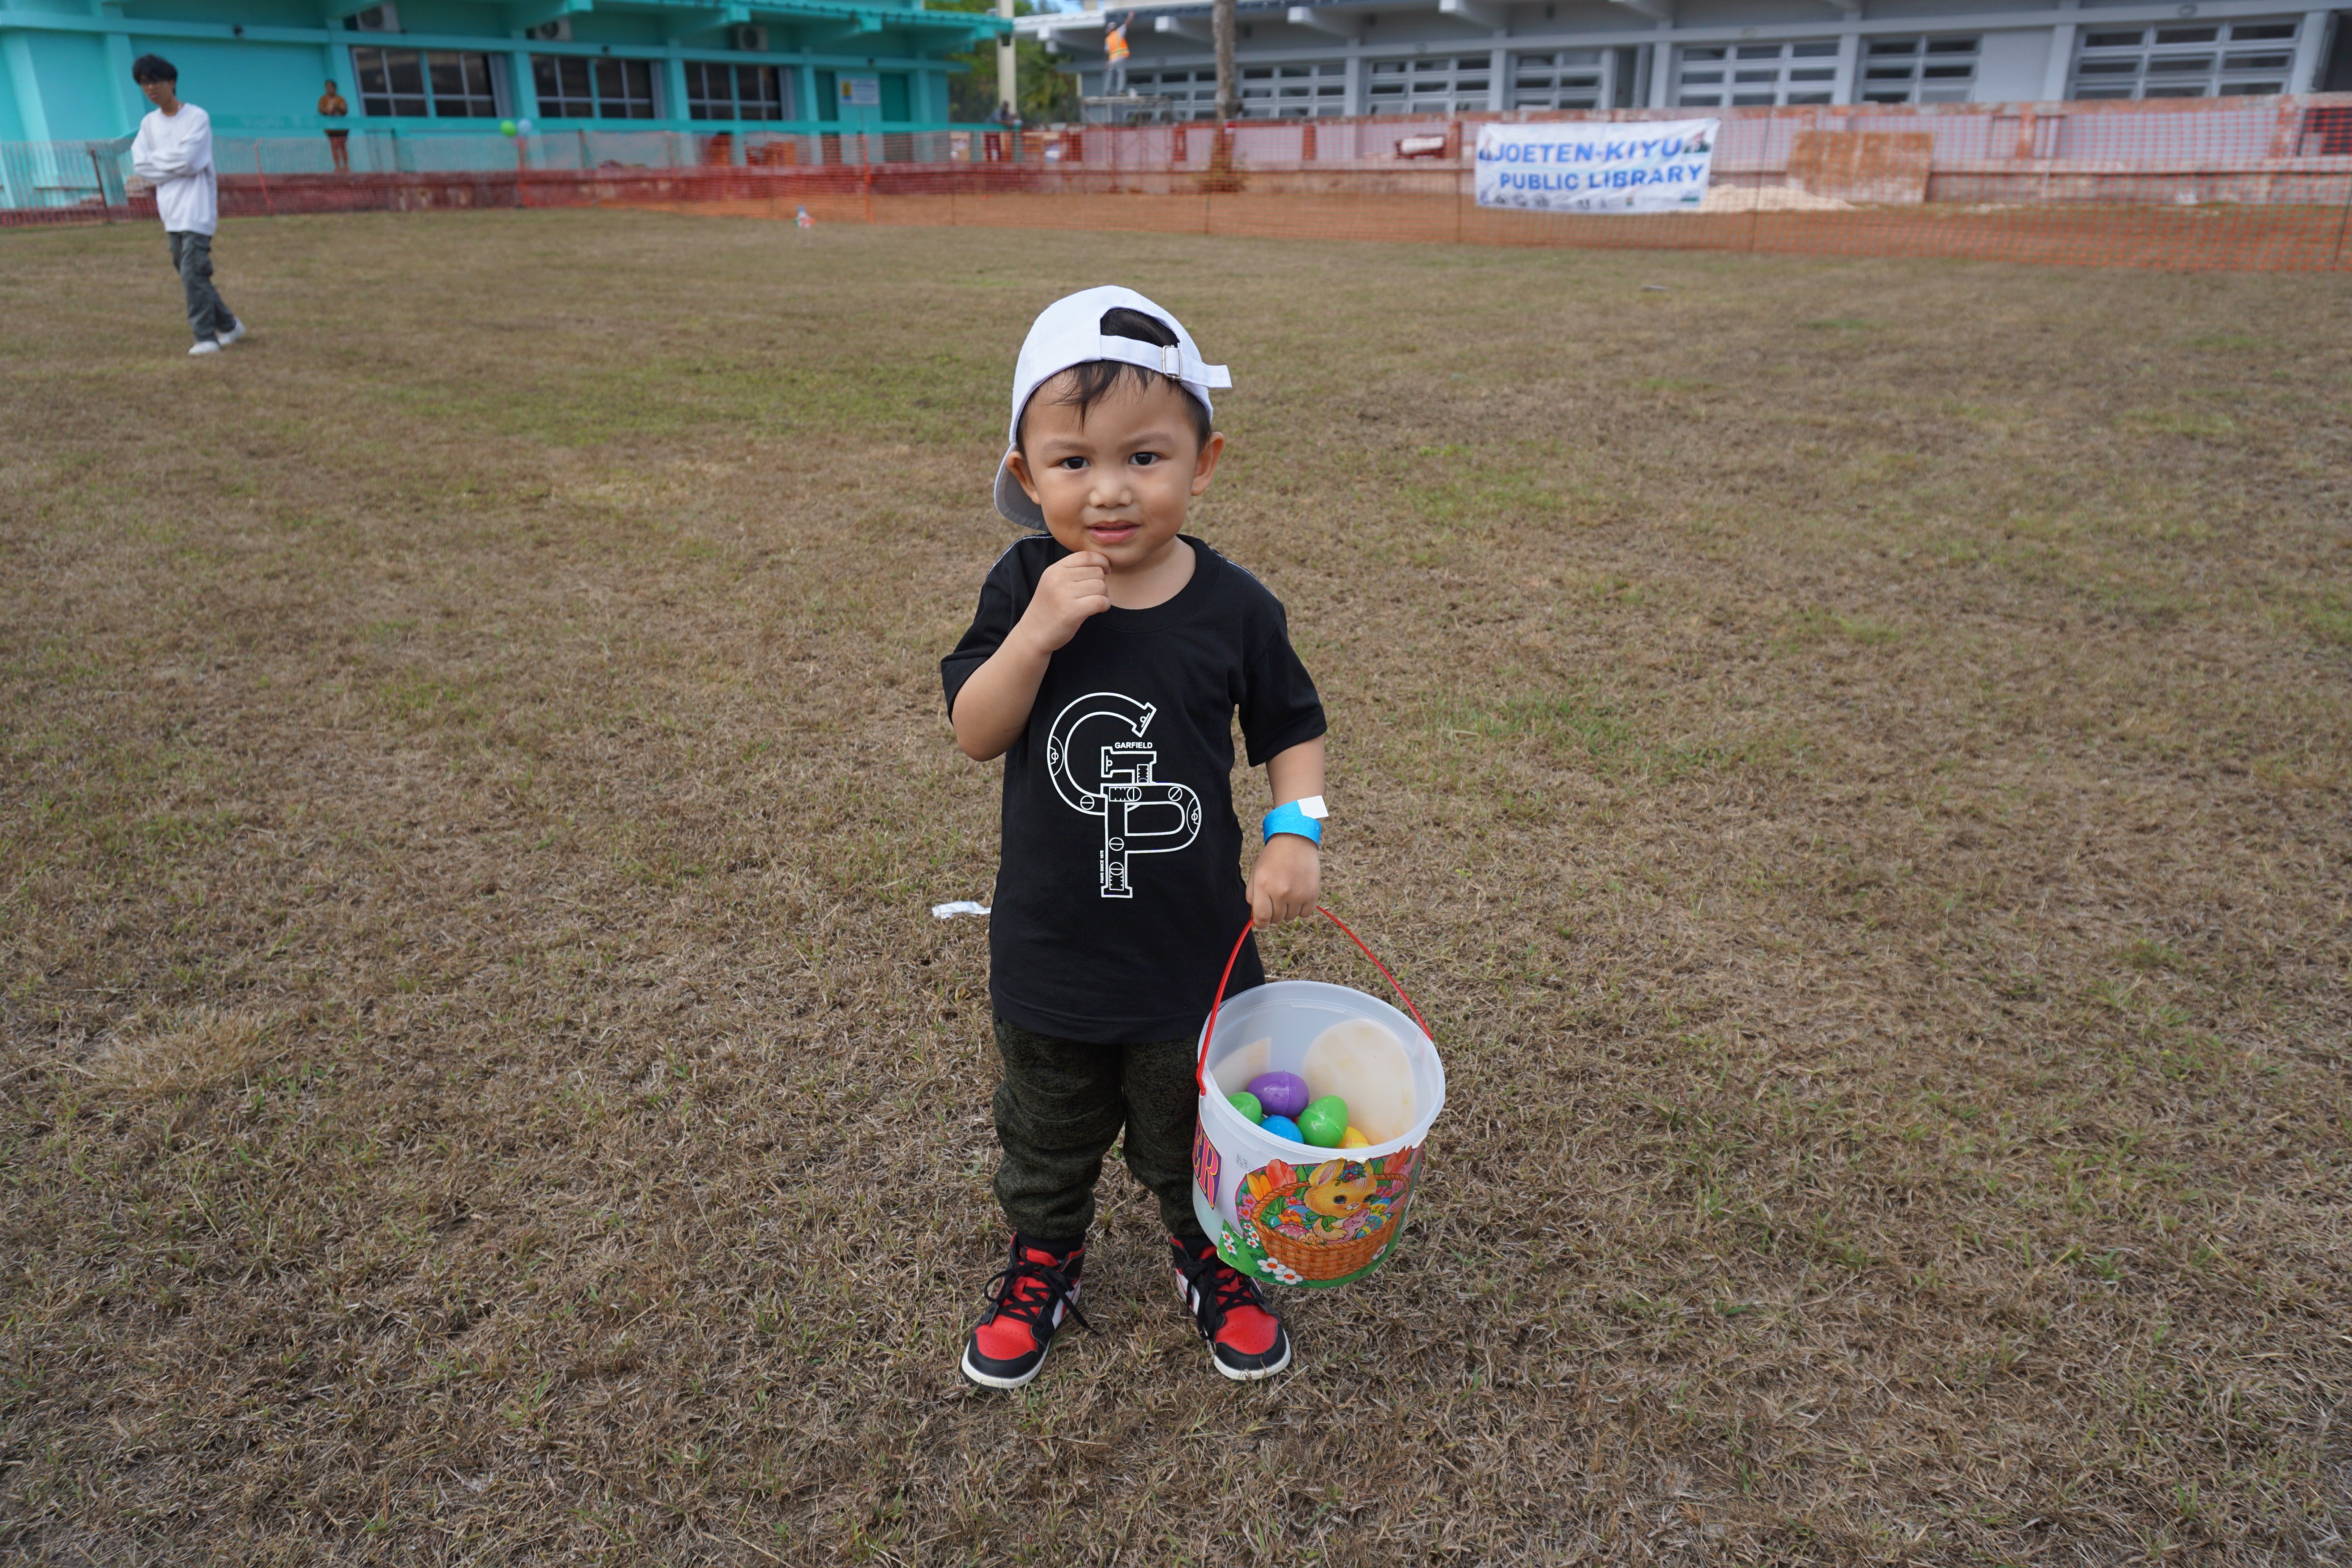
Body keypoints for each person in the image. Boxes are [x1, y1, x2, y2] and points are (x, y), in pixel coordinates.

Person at [941, 287, 1329, 1389]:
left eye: (1146, 456)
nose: (1109, 489)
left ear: (1204, 464)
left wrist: (1296, 832)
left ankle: (1206, 1251)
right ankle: (1043, 1257)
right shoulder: (1021, 584)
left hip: (1192, 952)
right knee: (1048, 1128)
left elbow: (1291, 728)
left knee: (1188, 1130)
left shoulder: (1236, 607)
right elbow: (976, 732)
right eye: (1072, 462)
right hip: (1052, 950)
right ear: (1025, 474)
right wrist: (1041, 629)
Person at [129, 55, 245, 357]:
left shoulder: (196, 118)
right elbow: (141, 165)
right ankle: (231, 325)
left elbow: (192, 161)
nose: (150, 88)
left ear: (172, 82)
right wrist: (170, 164)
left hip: (197, 209)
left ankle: (206, 336)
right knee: (189, 273)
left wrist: (162, 164)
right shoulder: (149, 124)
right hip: (170, 212)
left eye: (154, 81)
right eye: (143, 83)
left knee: (192, 274)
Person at [319, 79, 351, 173]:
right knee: (334, 146)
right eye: (327, 87)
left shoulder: (340, 99)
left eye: (331, 87)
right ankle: (337, 166)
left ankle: (345, 166)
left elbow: (345, 111)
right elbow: (321, 110)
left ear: (335, 88)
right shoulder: (323, 99)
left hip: (341, 127)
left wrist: (337, 107)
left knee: (342, 146)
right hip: (331, 127)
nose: (329, 89)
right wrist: (329, 110)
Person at [1102, 11, 1131, 96]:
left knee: (1110, 76)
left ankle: (1107, 90)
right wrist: (1130, 16)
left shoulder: (1108, 39)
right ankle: (1121, 91)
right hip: (1120, 58)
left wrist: (1108, 62)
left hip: (1112, 60)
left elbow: (1108, 51)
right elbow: (1126, 24)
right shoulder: (1119, 33)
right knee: (1121, 74)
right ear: (1115, 28)